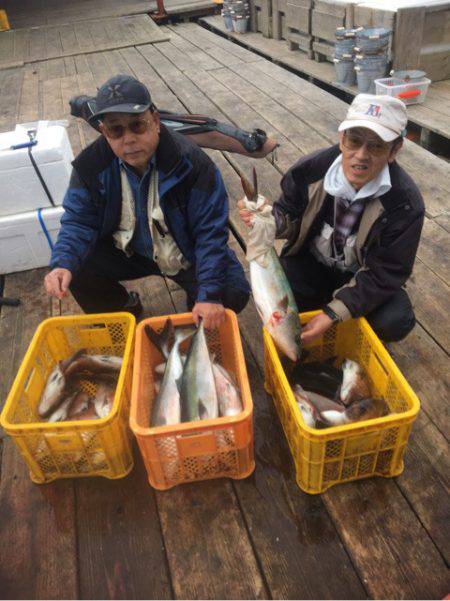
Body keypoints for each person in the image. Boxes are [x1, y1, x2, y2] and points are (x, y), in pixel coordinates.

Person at [45, 74, 250, 328]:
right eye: (115, 129)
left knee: (231, 293)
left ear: (155, 120)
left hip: (184, 253)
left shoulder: (193, 164)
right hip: (128, 250)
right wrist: (62, 262)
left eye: (137, 125)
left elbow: (210, 233)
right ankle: (122, 307)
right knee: (74, 266)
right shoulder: (91, 165)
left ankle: (195, 313)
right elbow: (78, 220)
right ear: (103, 131)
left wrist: (208, 294)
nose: (128, 138)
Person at [239, 94, 424, 343]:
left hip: (361, 276)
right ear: (341, 140)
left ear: (394, 150)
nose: (361, 155)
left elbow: (387, 271)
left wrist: (333, 313)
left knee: (395, 319)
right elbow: (288, 213)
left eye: (376, 145)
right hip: (311, 264)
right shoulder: (309, 170)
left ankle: (341, 315)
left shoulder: (405, 204)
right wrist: (268, 220)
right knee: (277, 287)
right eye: (354, 141)